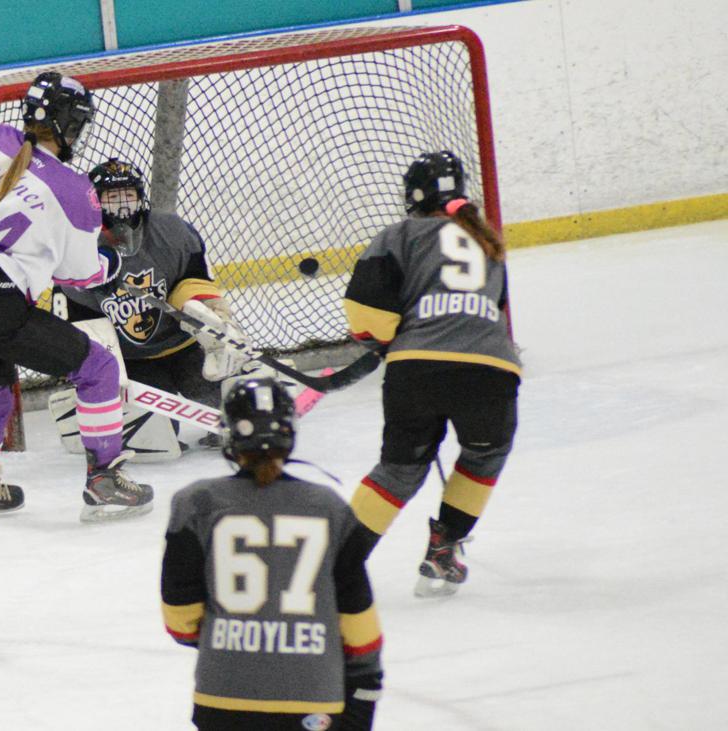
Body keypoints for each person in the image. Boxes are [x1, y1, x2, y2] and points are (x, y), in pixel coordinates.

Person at [0, 73, 153, 522]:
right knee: (98, 368)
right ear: (71, 126)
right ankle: (105, 477)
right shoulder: (74, 189)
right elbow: (81, 274)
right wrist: (111, 263)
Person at [344, 150, 521, 597]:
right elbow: (493, 311)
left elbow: (366, 316)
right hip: (492, 371)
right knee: (483, 456)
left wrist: (384, 343)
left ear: (414, 195)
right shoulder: (487, 242)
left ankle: (334, 566)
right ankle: (445, 547)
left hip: (416, 369)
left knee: (398, 471)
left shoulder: (399, 235)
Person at [161, 377, 383, 731]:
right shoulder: (329, 507)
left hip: (223, 696)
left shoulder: (196, 504)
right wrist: (365, 691)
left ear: (231, 434)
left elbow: (180, 619)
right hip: (312, 699)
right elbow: (359, 624)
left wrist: (232, 641)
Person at [56, 157, 250, 412]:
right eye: (112, 197)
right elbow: (78, 316)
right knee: (158, 425)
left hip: (182, 344)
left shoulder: (171, 230)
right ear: (94, 201)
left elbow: (194, 279)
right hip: (131, 359)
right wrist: (96, 370)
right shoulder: (76, 245)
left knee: (222, 401)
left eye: (129, 195)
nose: (122, 205)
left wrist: (214, 316)